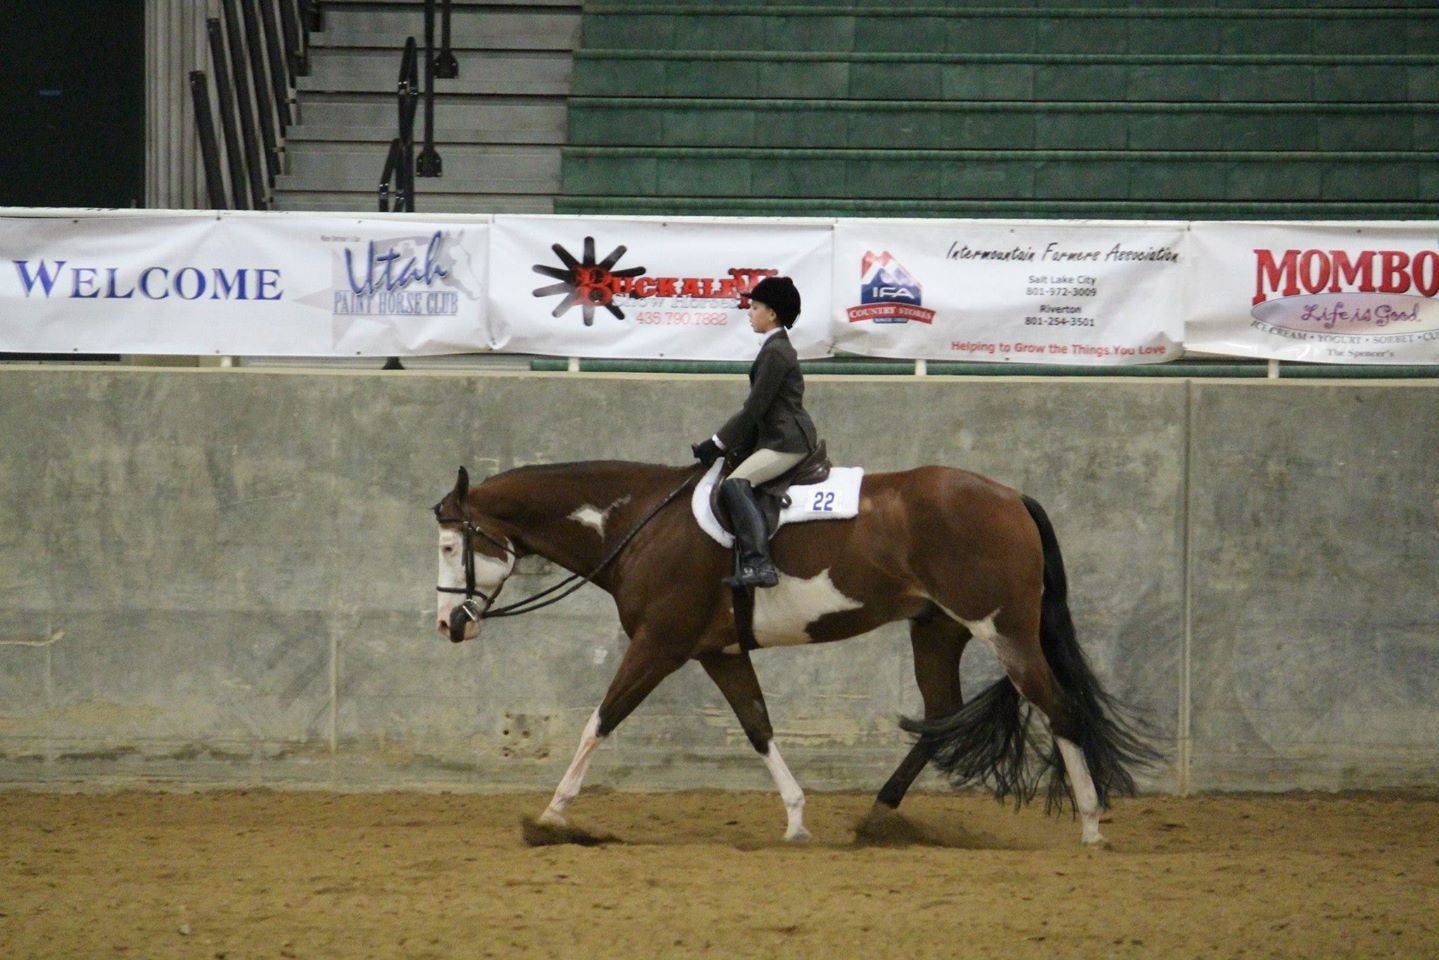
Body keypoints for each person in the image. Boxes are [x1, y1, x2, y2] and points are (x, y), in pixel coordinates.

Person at [691, 276, 818, 588]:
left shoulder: (775, 351)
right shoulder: (774, 348)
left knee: (736, 484)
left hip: (787, 441)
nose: (749, 312)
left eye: (755, 307)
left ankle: (758, 564)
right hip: (776, 435)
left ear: (772, 314)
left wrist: (717, 443)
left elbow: (754, 408)